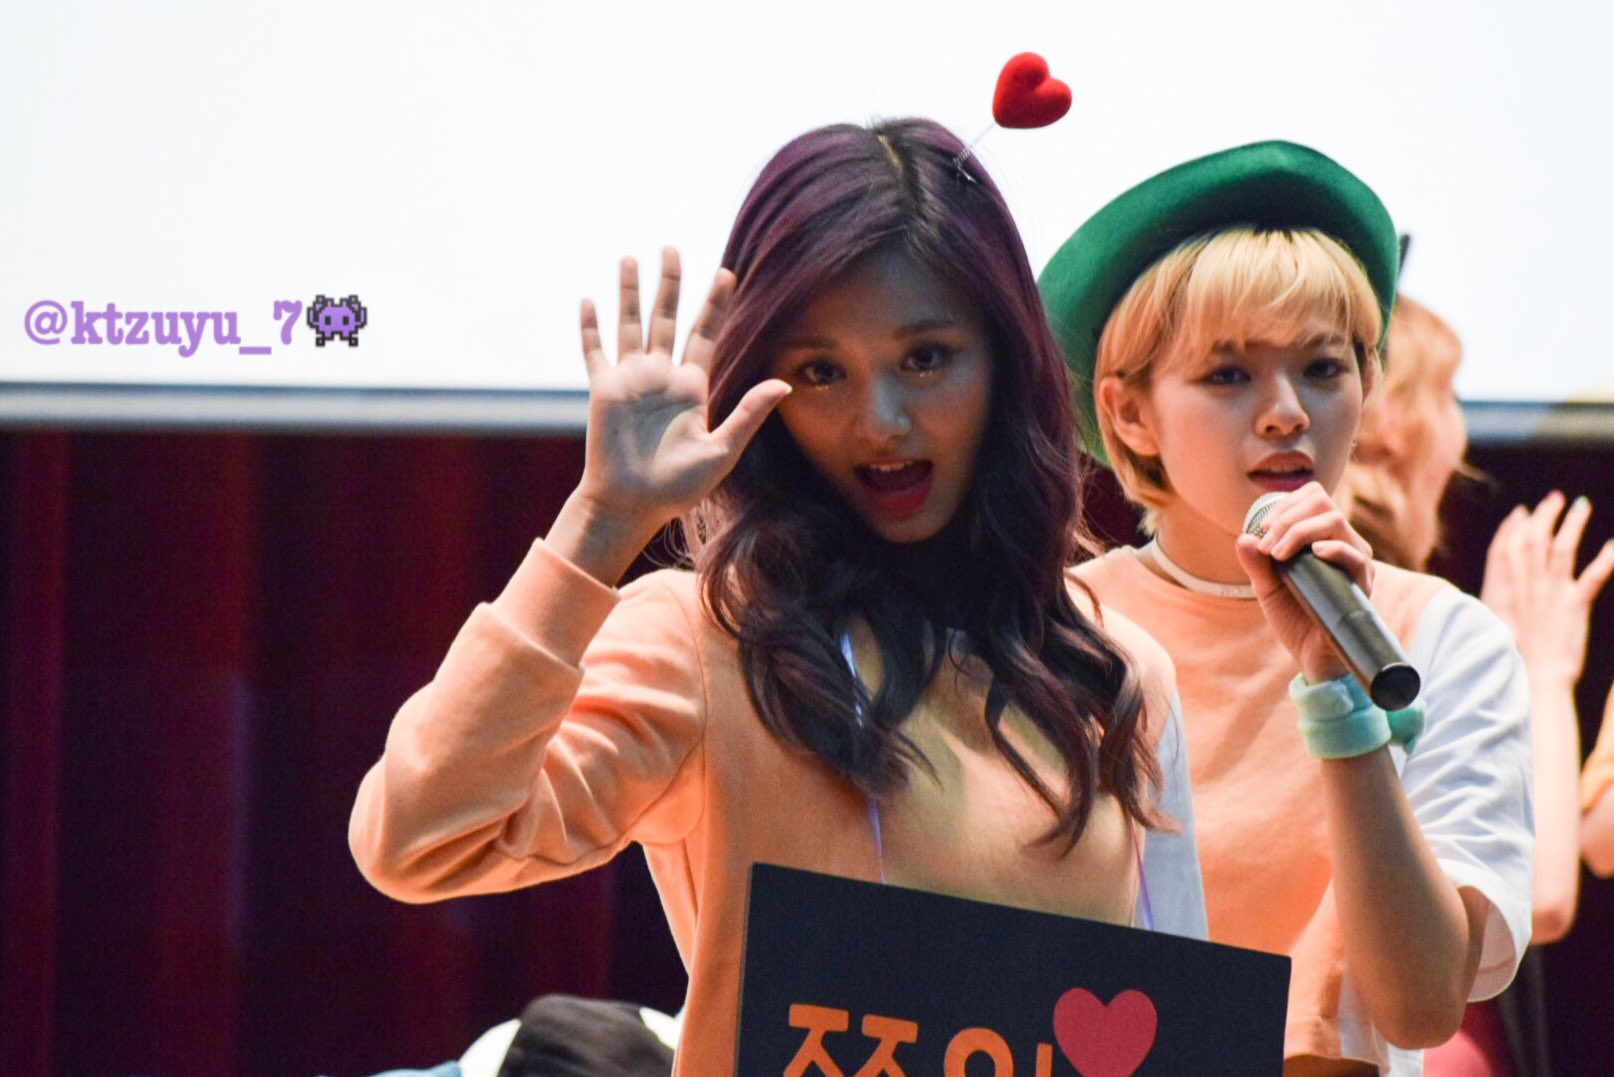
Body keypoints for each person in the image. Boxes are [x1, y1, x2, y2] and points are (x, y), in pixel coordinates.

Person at [349, 118, 1205, 1077]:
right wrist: (598, 523)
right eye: (820, 372)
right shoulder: (710, 642)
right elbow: (419, 837)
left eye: (925, 358)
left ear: (1006, 362)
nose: (880, 420)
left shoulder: (1119, 672)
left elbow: (1187, 1033)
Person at [1039, 142, 1534, 1075]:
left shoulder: (1440, 640)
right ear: (1129, 413)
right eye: (1229, 375)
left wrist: (1340, 701)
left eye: (1322, 367)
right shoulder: (1052, 629)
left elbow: (1420, 1005)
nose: (1286, 413)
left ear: (1369, 386)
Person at [1341, 295, 1614, 1075]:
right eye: (1449, 396)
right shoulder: (1370, 617)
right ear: (1396, 420)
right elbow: (1539, 893)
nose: (1460, 433)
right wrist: (1540, 667)